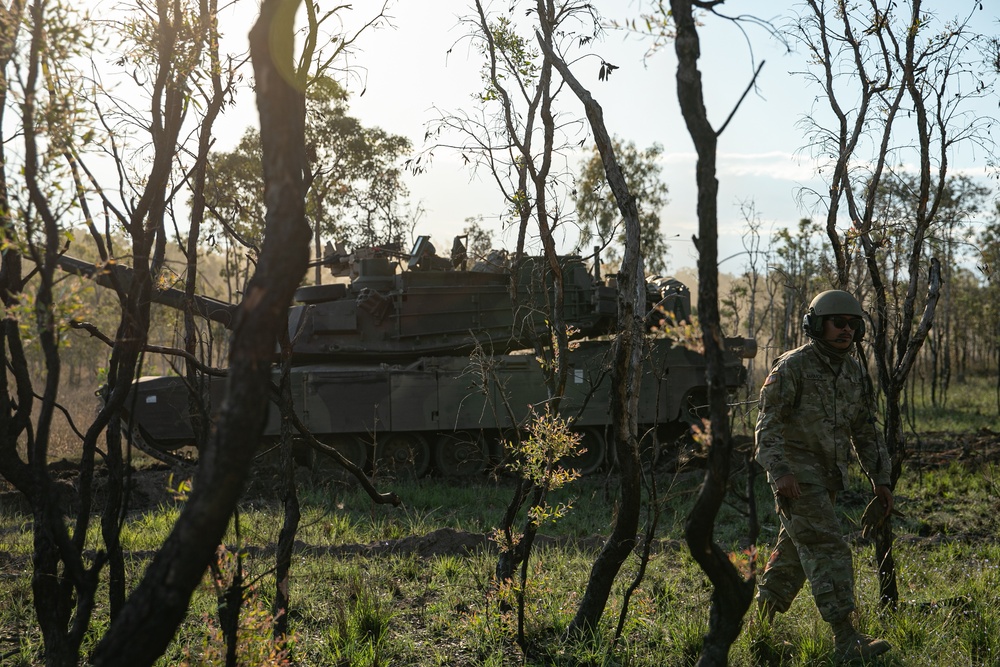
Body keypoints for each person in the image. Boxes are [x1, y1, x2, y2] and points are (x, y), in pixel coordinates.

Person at [754, 289, 894, 663]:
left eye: (852, 324)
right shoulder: (792, 367)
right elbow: (767, 425)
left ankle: (757, 630)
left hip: (827, 479)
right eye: (837, 323)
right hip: (796, 478)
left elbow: (865, 430)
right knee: (827, 547)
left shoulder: (852, 371)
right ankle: (846, 639)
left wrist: (880, 481)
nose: (845, 330)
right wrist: (780, 471)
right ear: (816, 325)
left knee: (792, 556)